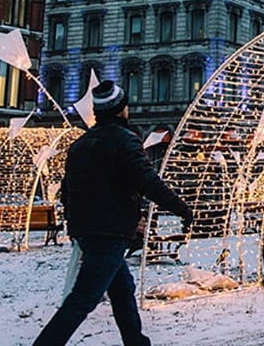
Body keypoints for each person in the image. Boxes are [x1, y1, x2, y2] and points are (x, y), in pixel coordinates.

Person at [35, 81, 193, 346]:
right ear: (121, 110)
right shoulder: (125, 141)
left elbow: (67, 190)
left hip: (88, 230)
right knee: (83, 298)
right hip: (109, 230)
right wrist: (181, 208)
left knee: (122, 291)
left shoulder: (81, 144)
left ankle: (136, 341)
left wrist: (75, 225)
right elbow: (148, 182)